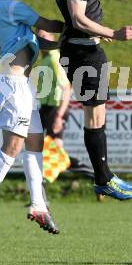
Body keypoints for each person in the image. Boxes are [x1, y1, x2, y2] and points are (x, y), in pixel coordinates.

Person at [0, 0, 64, 235]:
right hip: (13, 84)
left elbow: (48, 40)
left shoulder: (5, 9)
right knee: (13, 147)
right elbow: (49, 24)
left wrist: (85, 36)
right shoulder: (10, 6)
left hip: (20, 85)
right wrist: (79, 23)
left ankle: (38, 205)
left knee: (35, 143)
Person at [53, 0, 132, 200]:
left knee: (97, 115)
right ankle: (103, 179)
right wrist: (113, 32)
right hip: (83, 53)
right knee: (95, 116)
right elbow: (77, 18)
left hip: (82, 49)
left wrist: (98, 32)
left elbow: (76, 19)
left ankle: (105, 176)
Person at [36, 29, 94, 176]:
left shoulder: (55, 59)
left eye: (44, 36)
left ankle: (92, 174)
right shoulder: (45, 59)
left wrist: (59, 116)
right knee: (43, 151)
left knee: (53, 153)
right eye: (39, 38)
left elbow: (67, 89)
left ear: (52, 37)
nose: (42, 40)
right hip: (45, 108)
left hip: (55, 109)